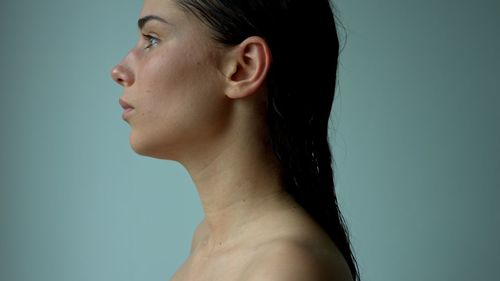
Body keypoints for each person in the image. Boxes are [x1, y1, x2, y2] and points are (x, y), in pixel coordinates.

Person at [111, 0, 359, 280]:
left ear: (244, 67)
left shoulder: (283, 268)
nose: (119, 71)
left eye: (152, 39)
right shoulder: (208, 239)